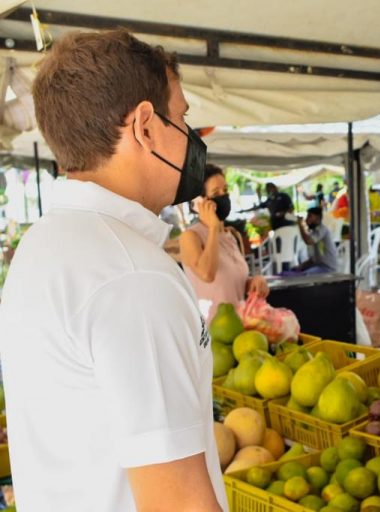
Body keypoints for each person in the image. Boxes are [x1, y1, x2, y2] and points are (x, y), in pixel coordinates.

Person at [0, 30, 227, 510]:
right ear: (145, 126)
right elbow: (179, 503)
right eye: (182, 117)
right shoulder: (133, 277)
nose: (191, 137)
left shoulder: (43, 245)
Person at [181, 163, 269, 322]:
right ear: (199, 202)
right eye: (216, 192)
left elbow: (233, 284)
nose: (224, 196)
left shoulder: (231, 235)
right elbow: (207, 274)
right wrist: (213, 229)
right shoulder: (190, 236)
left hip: (240, 327)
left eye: (226, 190)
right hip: (213, 332)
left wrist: (254, 281)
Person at [294, 207, 339, 274]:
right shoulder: (313, 233)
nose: (307, 219)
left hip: (327, 268)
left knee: (304, 276)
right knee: (294, 272)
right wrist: (301, 266)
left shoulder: (322, 229)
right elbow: (313, 259)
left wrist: (300, 225)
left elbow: (308, 241)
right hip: (318, 266)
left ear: (318, 218)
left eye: (309, 216)